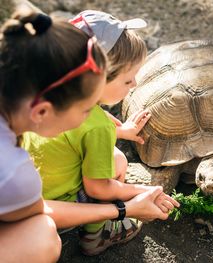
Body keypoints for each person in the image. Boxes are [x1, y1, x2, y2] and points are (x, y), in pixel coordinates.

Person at [0, 7, 178, 263]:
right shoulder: (15, 173)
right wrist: (124, 208)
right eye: (86, 109)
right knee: (43, 237)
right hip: (40, 205)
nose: (92, 117)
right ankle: (97, 236)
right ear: (42, 111)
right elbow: (42, 212)